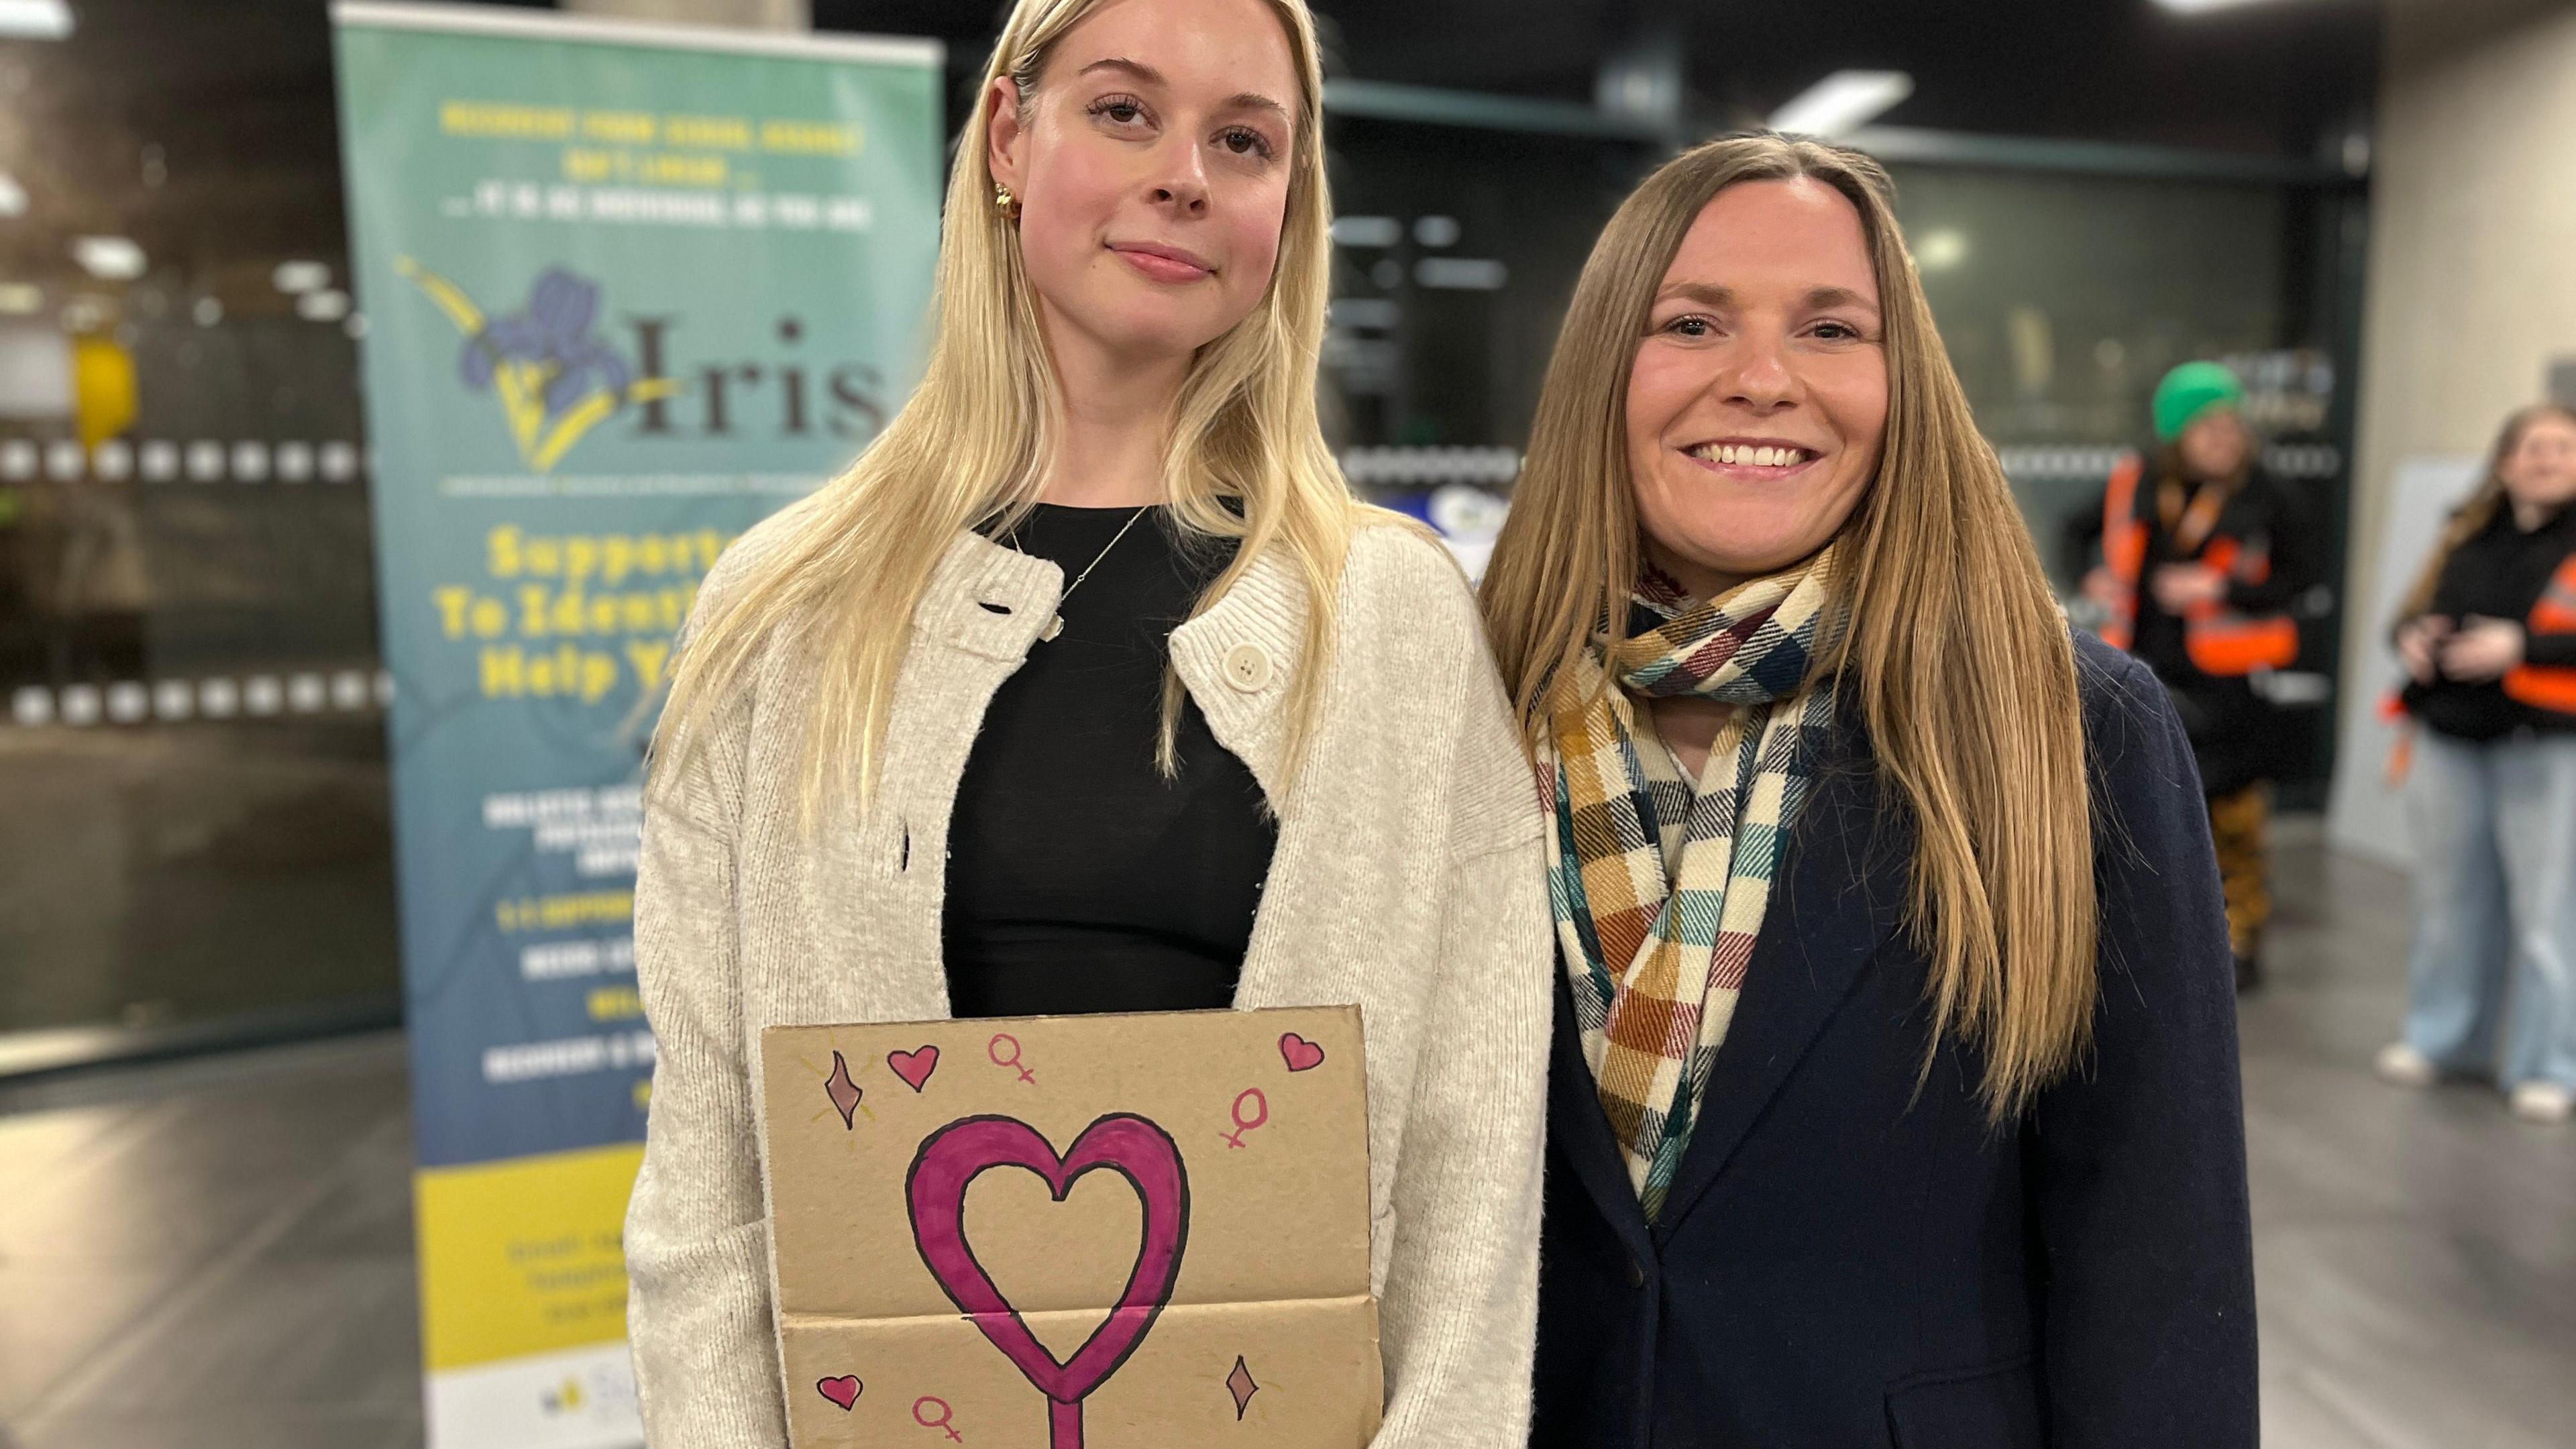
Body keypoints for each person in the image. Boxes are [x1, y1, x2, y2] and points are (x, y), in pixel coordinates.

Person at [622, 0, 1552, 1443]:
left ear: (1285, 207)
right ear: (1009, 133)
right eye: (1125, 110)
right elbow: (709, 1171)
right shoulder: (787, 610)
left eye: (1244, 140)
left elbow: (1473, 1155)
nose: (1186, 171)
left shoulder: (1390, 618)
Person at [1479, 133, 2256, 1448]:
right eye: (1692, 322)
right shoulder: (1467, 711)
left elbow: (2160, 1274)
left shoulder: (2071, 732)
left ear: (1907, 385)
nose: (1765, 380)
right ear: (1603, 367)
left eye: (1834, 328)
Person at [2082, 361, 2314, 991]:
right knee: (2139, 812)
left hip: (2230, 685)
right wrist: (2094, 575)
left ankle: (2240, 941)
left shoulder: (2271, 495)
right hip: (2139, 672)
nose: (2223, 436)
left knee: (2234, 818)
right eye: (2206, 426)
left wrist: (2225, 585)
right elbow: (2081, 532)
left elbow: (2303, 578)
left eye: (2231, 424)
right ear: (2176, 435)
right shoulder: (2138, 482)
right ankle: (2150, 941)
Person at [2375, 402, 2576, 1124]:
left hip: (2548, 746)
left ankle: (2550, 1065)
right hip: (2450, 738)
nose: (2545, 459)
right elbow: (2406, 612)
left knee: (2549, 917)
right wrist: (2411, 638)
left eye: (2561, 447)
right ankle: (2444, 1038)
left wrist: (2521, 648)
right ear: (2504, 460)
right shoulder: (2467, 531)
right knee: (2449, 903)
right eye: (2531, 447)